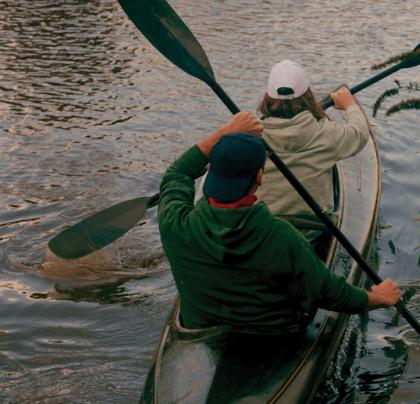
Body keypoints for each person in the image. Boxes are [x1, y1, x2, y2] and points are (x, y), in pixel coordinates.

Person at [158, 112, 400, 334]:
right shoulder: (281, 236)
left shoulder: (175, 223)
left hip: (200, 330)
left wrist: (226, 131)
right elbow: (328, 292)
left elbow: (177, 173)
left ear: (210, 170)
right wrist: (376, 299)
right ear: (260, 177)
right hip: (272, 338)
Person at [258, 59, 369, 241]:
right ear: (308, 95)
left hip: (263, 231)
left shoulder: (251, 136)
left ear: (267, 98)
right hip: (310, 234)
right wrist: (351, 105)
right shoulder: (327, 134)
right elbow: (360, 134)